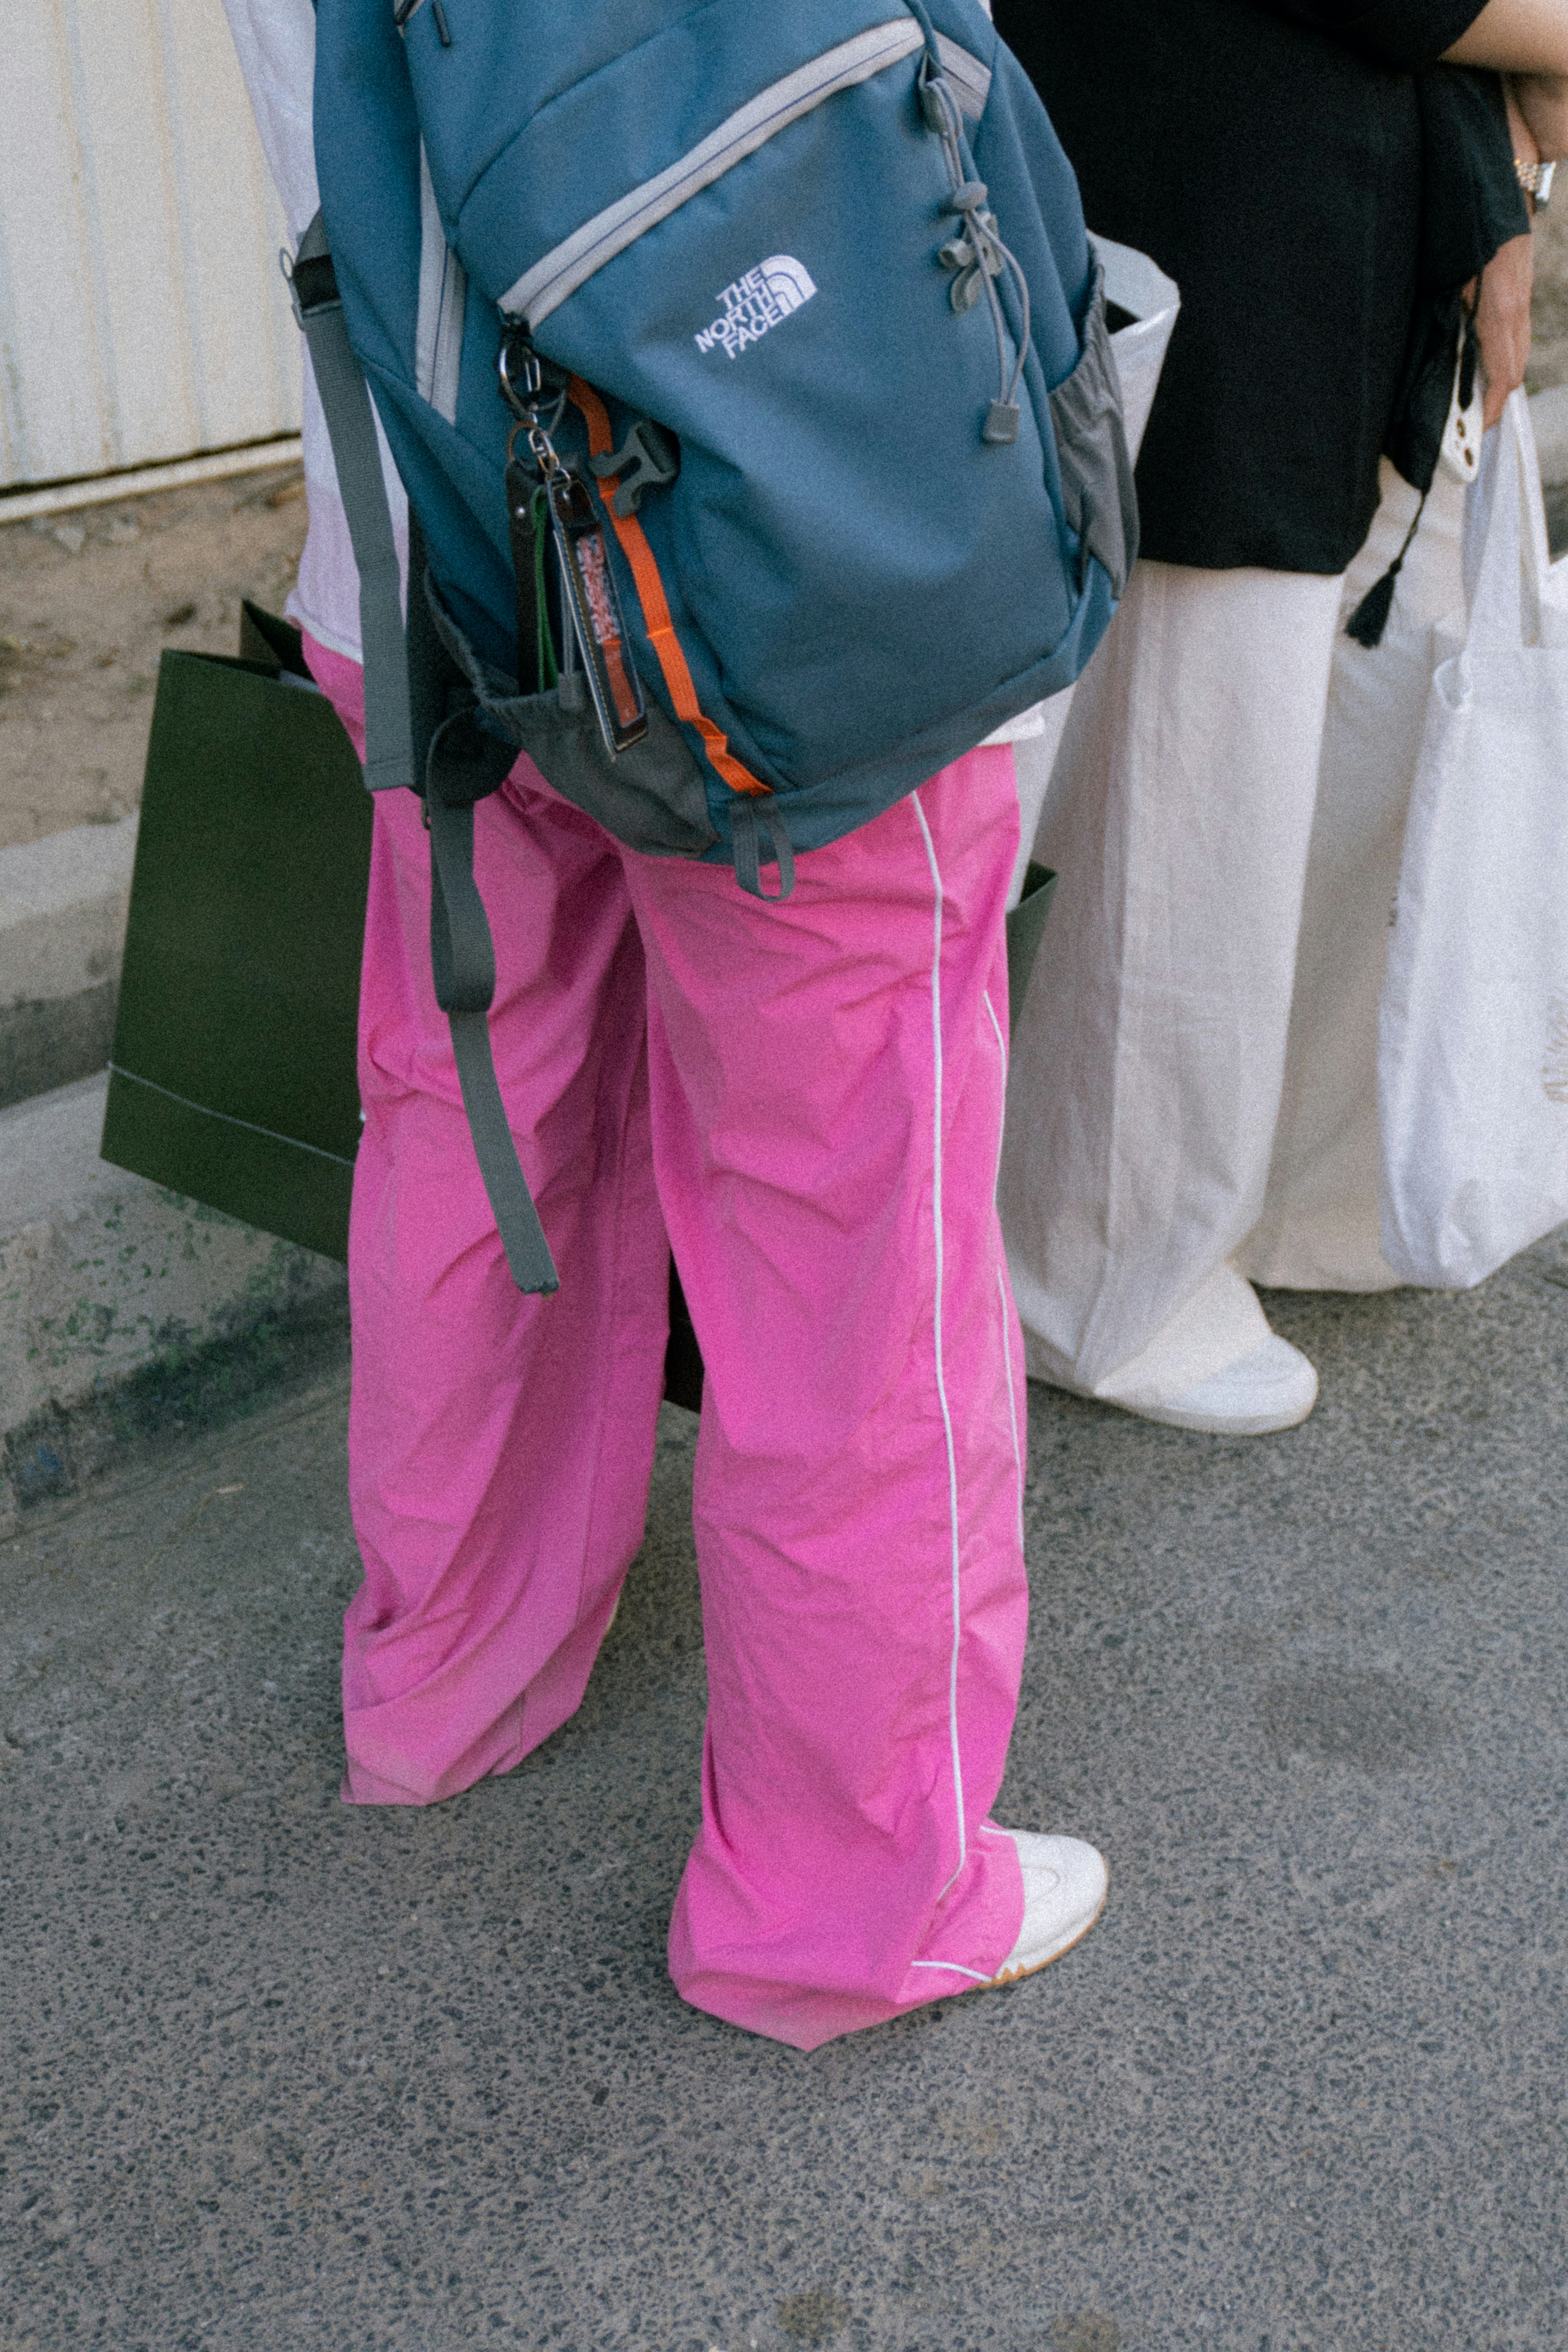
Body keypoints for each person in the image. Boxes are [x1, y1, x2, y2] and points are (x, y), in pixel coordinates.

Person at [220, 0, 1109, 2052]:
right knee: (843, 1240)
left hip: (417, 529)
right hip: (765, 574)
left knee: (474, 1106)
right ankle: (848, 1898)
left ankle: (450, 1677)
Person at [993, 0, 1568, 1435]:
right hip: (1214, 180)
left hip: (1326, 161)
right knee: (1196, 749)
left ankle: (1273, 1185)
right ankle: (1108, 1267)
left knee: (1302, 738)